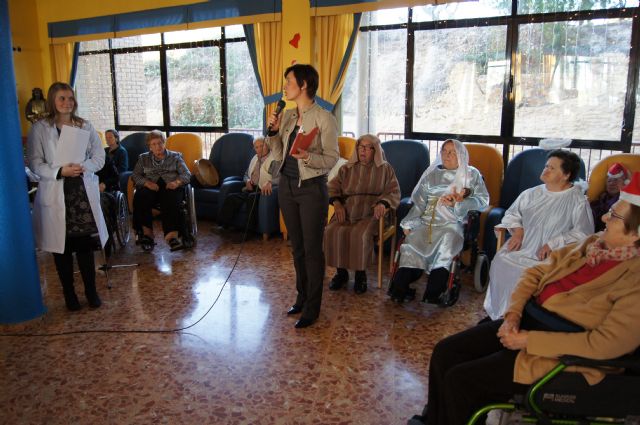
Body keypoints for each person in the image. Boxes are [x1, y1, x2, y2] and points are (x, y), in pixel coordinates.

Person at [408, 172, 640, 425]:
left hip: (561, 353)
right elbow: (535, 273)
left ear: (636, 232)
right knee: (445, 352)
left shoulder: (635, 279)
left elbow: (605, 345)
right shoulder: (594, 244)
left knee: (461, 380)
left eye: (614, 216)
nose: (604, 216)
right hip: (527, 320)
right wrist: (513, 315)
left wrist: (528, 340)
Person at [266, 64, 339, 328]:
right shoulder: (286, 116)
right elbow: (277, 153)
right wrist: (273, 133)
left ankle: (313, 307)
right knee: (296, 248)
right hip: (286, 185)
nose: (285, 86)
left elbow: (332, 158)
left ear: (304, 85)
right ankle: (301, 296)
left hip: (311, 189)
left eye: (289, 81)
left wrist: (308, 156)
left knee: (311, 250)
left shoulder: (324, 118)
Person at [484, 149, 594, 320]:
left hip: (554, 254)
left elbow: (583, 232)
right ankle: (500, 314)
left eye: (552, 168)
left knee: (527, 271)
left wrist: (553, 243)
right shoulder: (531, 193)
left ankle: (523, 317)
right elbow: (512, 214)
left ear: (566, 175)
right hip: (524, 245)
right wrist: (518, 231)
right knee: (501, 261)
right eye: (546, 166)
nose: (545, 170)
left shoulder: (577, 200)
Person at [27, 82, 108, 311]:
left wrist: (82, 166)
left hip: (81, 194)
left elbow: (99, 157)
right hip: (56, 191)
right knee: (61, 249)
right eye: (62, 98)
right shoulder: (40, 128)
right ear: (53, 100)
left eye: (70, 98)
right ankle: (69, 295)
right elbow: (35, 163)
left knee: (84, 247)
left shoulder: (85, 126)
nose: (67, 103)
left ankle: (91, 291)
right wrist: (60, 171)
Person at [389, 139, 489, 304]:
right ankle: (400, 288)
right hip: (426, 221)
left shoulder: (471, 175)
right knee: (411, 243)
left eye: (452, 152)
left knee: (447, 242)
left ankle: (433, 292)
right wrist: (410, 223)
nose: (447, 155)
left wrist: (459, 203)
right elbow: (420, 202)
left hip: (452, 222)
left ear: (461, 155)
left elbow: (483, 200)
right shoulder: (432, 175)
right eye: (444, 151)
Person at [324, 134, 401, 294]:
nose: (363, 151)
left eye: (367, 148)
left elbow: (394, 191)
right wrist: (337, 203)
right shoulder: (347, 168)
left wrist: (383, 203)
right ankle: (341, 273)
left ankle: (360, 275)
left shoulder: (385, 169)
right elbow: (332, 187)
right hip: (348, 209)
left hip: (373, 212)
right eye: (360, 147)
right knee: (332, 230)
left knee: (361, 234)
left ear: (376, 151)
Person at [131, 130, 191, 252]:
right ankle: (147, 235)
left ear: (164, 143)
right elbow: (135, 176)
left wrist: (177, 182)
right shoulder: (143, 158)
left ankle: (172, 237)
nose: (157, 146)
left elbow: (186, 174)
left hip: (170, 186)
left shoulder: (175, 157)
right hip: (151, 186)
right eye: (154, 144)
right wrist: (147, 183)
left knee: (172, 200)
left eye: (159, 143)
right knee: (140, 197)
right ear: (149, 146)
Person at [216, 137, 278, 236]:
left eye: (262, 146)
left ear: (267, 145)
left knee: (251, 198)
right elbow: (246, 174)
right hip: (250, 188)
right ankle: (223, 226)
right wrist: (247, 181)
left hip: (262, 191)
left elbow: (278, 177)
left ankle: (248, 232)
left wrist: (270, 182)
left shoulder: (273, 159)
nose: (259, 149)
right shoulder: (254, 158)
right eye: (256, 147)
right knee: (232, 198)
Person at [590, 162, 630, 232]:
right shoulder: (601, 199)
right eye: (609, 181)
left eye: (616, 180)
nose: (611, 183)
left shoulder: (625, 202)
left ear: (625, 183)